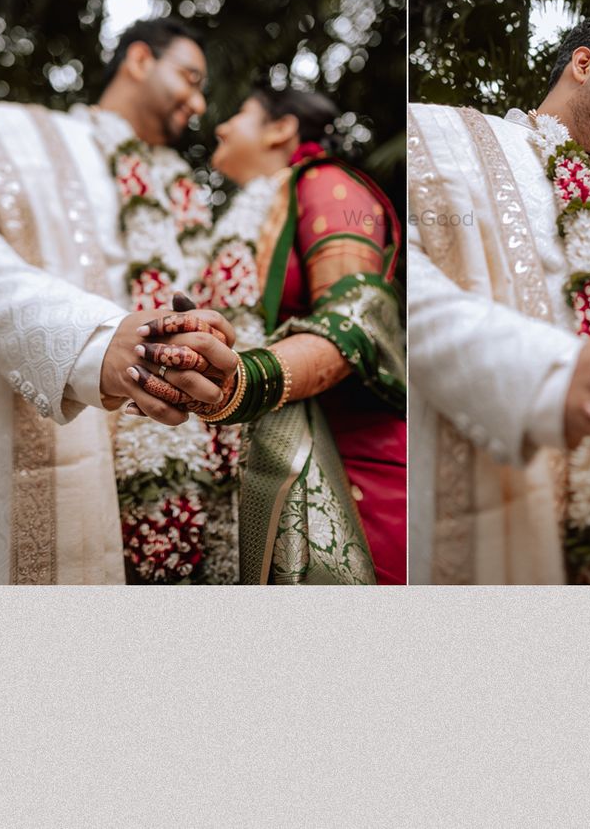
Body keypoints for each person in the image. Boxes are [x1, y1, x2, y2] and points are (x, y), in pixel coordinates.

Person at [407, 16, 590, 584]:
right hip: (502, 486)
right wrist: (549, 378)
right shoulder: (445, 135)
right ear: (583, 63)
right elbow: (406, 284)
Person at [0, 17, 237, 584]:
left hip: (194, 470)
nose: (199, 100)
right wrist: (93, 342)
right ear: (139, 61)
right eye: (189, 76)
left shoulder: (187, 195)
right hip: (63, 433)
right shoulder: (25, 140)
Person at [131, 86, 406, 584]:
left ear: (281, 129)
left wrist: (245, 381)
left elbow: (358, 318)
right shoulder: (243, 217)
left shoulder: (328, 185)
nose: (220, 125)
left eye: (238, 112)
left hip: (345, 473)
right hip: (251, 465)